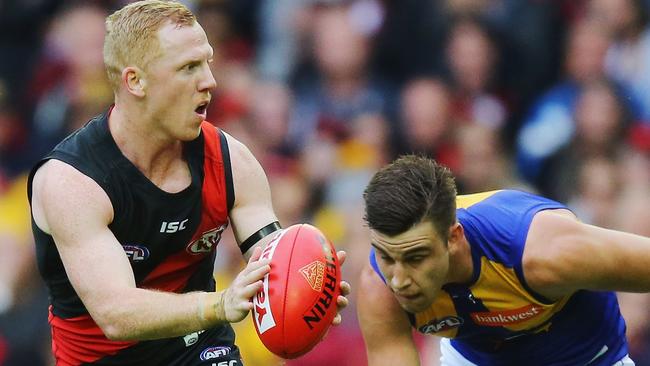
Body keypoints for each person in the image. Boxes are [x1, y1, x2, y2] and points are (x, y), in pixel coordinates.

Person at [27, 1, 349, 365]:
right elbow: (115, 313)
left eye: (208, 62)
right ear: (136, 81)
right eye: (188, 67)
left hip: (200, 348)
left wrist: (308, 282)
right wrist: (219, 304)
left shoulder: (231, 162)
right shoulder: (72, 181)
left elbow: (271, 257)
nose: (210, 81)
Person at [358, 155, 649, 365]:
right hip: (475, 359)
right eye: (386, 256)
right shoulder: (379, 286)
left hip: (584, 358)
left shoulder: (543, 253)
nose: (398, 279)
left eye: (416, 257)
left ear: (454, 238)